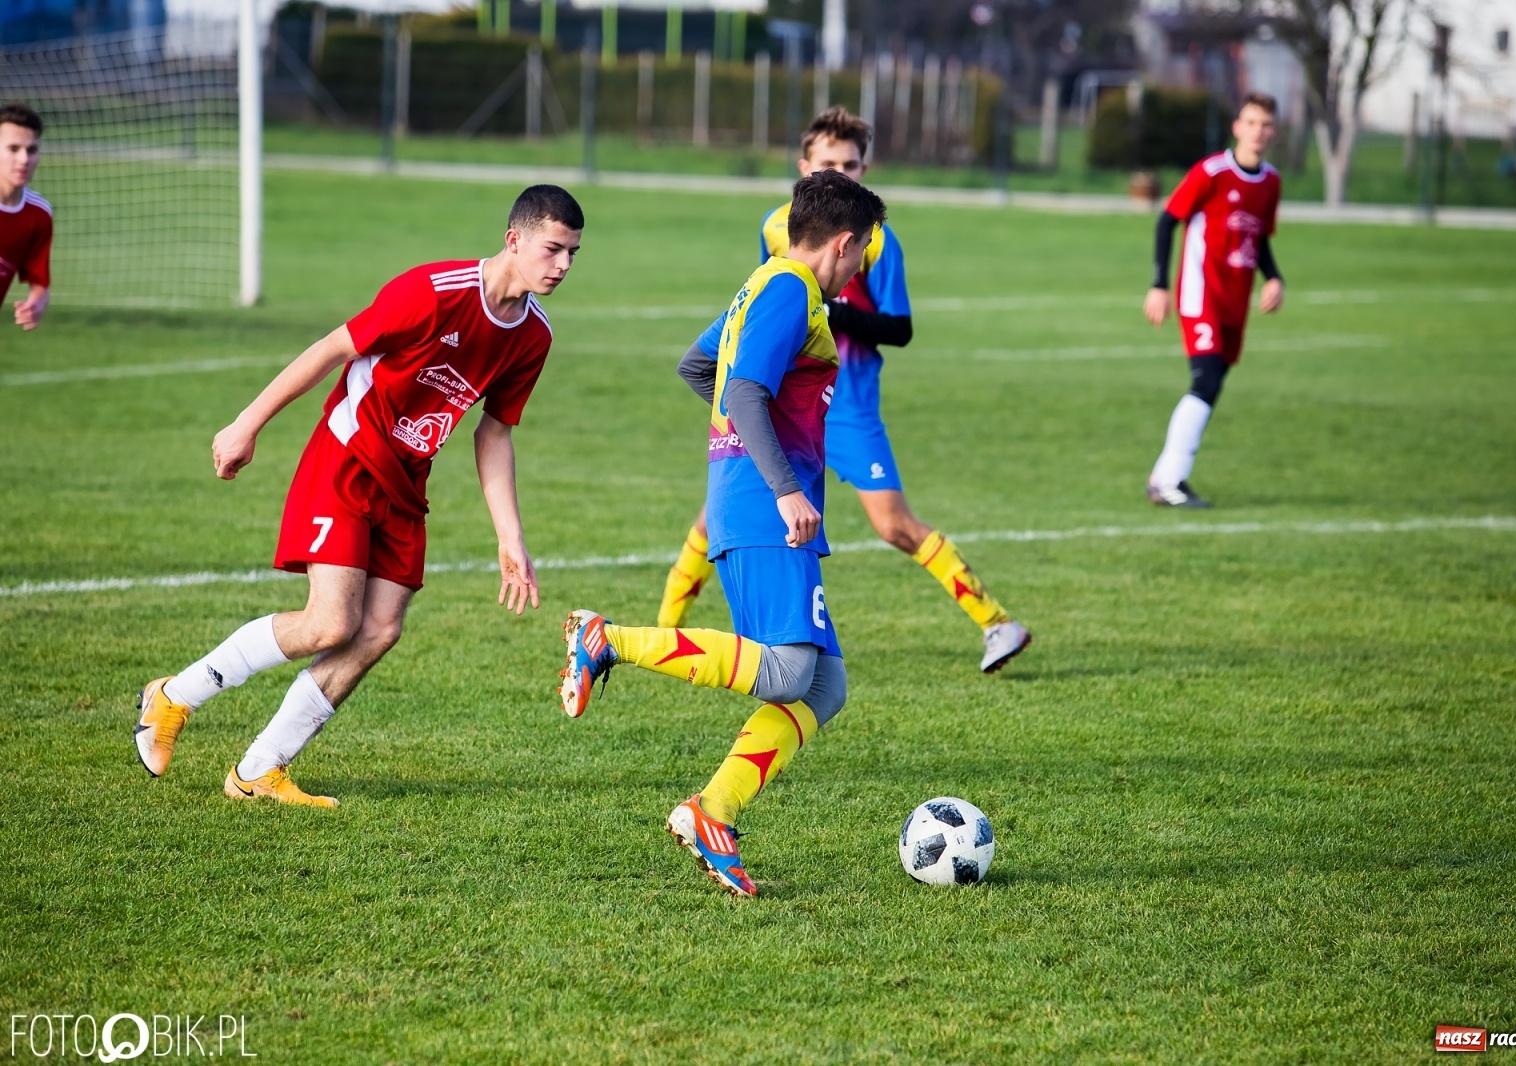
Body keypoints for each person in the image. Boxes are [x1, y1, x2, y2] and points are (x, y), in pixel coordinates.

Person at [134, 185, 584, 806]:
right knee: (330, 621)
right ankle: (174, 696)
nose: (562, 266)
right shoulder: (432, 291)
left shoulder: (533, 336)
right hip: (346, 459)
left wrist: (511, 538)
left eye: (572, 255)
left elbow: (496, 431)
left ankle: (259, 769)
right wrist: (247, 423)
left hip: (407, 482)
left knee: (378, 630)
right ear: (515, 240)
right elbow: (333, 348)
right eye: (553, 249)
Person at [559, 171, 885, 897]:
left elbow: (698, 365)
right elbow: (738, 390)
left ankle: (711, 812)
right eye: (862, 250)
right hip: (764, 505)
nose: (863, 263)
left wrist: (745, 444)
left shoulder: (761, 285)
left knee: (824, 685)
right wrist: (782, 483)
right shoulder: (790, 289)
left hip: (755, 496)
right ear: (842, 242)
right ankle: (606, 640)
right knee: (791, 670)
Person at [656, 106, 1031, 674]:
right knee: (717, 516)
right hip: (786, 404)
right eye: (830, 163)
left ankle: (998, 622)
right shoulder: (776, 230)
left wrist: (831, 310)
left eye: (852, 164)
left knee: (894, 525)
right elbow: (763, 326)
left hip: (849, 403)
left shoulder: (877, 241)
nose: (842, 173)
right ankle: (661, 636)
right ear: (805, 167)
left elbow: (899, 328)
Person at [1144, 93, 1285, 508]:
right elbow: (1167, 222)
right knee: (1204, 380)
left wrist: (1273, 278)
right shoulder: (1212, 172)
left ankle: (1166, 476)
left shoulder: (1271, 182)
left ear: (1272, 132)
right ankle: (1168, 483)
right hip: (1199, 293)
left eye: (1266, 125)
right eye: (1251, 122)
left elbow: (1256, 239)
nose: (1258, 132)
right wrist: (1159, 285)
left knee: (1214, 384)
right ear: (1236, 127)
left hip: (1235, 301)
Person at [0, 103, 52, 331]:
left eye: (31, 150)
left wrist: (36, 304)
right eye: (13, 149)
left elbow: (39, 281)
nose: (24, 159)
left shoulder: (37, 214)